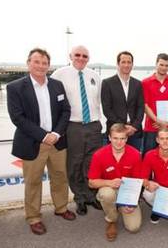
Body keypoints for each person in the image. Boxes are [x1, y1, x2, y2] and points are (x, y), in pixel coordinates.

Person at [7, 48, 75, 235]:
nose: (41, 66)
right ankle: (34, 217)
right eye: (36, 62)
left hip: (57, 142)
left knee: (60, 177)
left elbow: (65, 111)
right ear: (28, 63)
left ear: (49, 65)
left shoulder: (57, 85)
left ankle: (61, 207)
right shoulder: (15, 88)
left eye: (44, 63)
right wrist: (44, 135)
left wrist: (56, 133)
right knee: (33, 181)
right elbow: (17, 118)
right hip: (32, 143)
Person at [51, 45, 103, 215]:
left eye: (85, 56)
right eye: (78, 55)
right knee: (75, 163)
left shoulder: (94, 76)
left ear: (89, 58)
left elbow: (98, 101)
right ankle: (79, 198)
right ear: (70, 56)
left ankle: (91, 195)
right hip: (73, 126)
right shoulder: (59, 74)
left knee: (91, 162)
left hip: (94, 125)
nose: (81, 58)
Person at [88, 123, 143, 241]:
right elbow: (91, 182)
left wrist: (132, 202)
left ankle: (120, 206)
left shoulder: (135, 154)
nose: (119, 142)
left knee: (134, 227)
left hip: (128, 193)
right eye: (115, 138)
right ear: (109, 138)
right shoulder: (99, 155)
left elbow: (138, 182)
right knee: (106, 194)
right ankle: (111, 219)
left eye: (122, 138)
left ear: (127, 138)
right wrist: (109, 183)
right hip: (109, 188)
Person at [101, 51, 144, 151]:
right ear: (118, 64)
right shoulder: (107, 83)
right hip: (115, 132)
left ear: (132, 64)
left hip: (135, 132)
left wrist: (134, 126)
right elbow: (107, 109)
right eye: (123, 62)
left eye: (129, 62)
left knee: (134, 161)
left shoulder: (137, 84)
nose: (126, 65)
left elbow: (140, 107)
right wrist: (123, 127)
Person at [141, 53, 168, 155]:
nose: (164, 68)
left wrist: (167, 119)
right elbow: (144, 105)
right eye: (161, 64)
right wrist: (158, 121)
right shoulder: (145, 83)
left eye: (166, 65)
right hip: (151, 127)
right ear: (156, 64)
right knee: (148, 157)